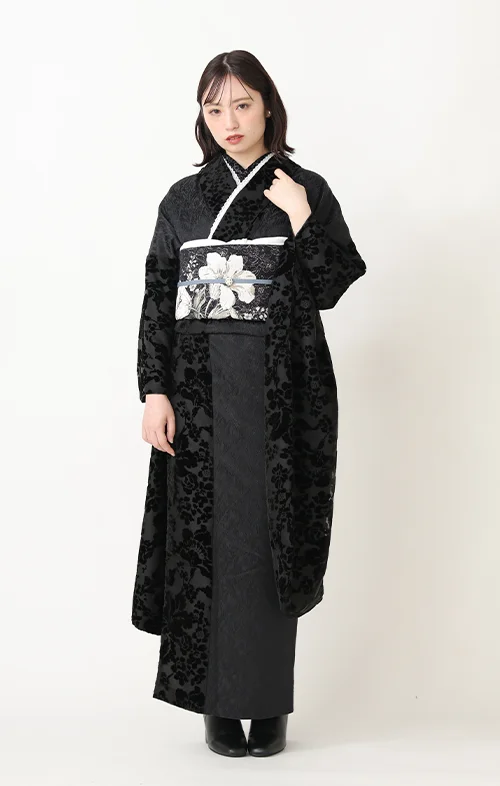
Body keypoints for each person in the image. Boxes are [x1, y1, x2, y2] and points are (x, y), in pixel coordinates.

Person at [131, 49, 367, 758]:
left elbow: (332, 285)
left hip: (282, 392)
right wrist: (155, 389)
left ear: (268, 106)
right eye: (214, 108)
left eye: (242, 104)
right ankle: (214, 702)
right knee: (205, 540)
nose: (229, 120)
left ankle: (266, 705)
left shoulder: (305, 188)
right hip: (200, 395)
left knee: (270, 541)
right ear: (201, 117)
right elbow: (158, 294)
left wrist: (301, 218)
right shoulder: (183, 199)